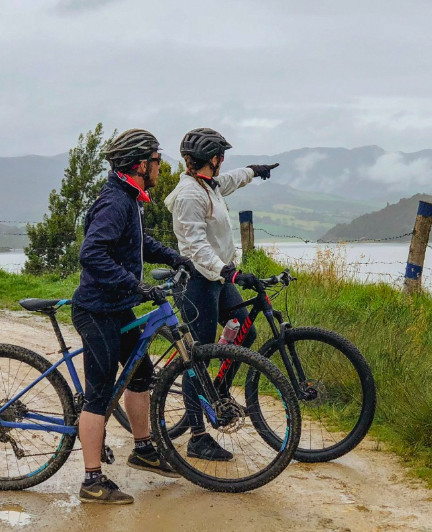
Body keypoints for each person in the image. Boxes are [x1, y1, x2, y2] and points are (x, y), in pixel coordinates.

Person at [72, 128, 195, 505]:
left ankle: (143, 448)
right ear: (141, 165)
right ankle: (92, 481)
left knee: (140, 374)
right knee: (99, 395)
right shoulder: (116, 201)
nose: (161, 166)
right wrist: (136, 284)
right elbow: (91, 254)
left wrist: (173, 256)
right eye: (158, 160)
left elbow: (137, 244)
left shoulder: (130, 198)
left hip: (116, 307)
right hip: (96, 310)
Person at [164, 127, 279, 461]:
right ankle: (197, 437)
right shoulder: (188, 196)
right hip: (198, 281)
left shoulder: (208, 184)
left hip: (217, 278)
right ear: (211, 159)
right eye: (221, 156)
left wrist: (254, 172)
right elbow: (195, 246)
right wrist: (228, 270)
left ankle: (217, 392)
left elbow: (228, 181)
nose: (223, 161)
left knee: (247, 330)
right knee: (196, 356)